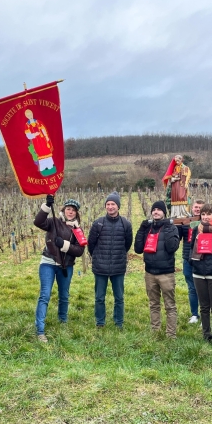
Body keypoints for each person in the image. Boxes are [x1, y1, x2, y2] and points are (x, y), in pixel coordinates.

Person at [33, 195, 85, 342]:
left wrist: (64, 245)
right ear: (64, 210)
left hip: (66, 266)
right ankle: (40, 330)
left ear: (76, 213)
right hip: (48, 262)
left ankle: (62, 321)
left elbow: (80, 251)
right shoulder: (53, 222)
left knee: (64, 296)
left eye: (73, 210)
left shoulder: (77, 230)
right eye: (68, 209)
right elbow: (38, 221)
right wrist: (47, 206)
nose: (70, 212)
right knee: (45, 295)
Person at [134, 200, 180, 338]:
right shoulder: (147, 228)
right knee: (153, 303)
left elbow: (173, 247)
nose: (156, 212)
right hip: (150, 273)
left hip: (166, 273)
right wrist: (141, 230)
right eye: (154, 210)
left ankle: (171, 334)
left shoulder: (171, 228)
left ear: (164, 213)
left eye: (159, 210)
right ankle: (155, 331)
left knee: (169, 305)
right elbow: (137, 249)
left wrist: (167, 229)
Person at [87, 192, 133, 328]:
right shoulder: (98, 223)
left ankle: (118, 322)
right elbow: (91, 244)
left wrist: (119, 255)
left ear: (118, 206)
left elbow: (127, 244)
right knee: (99, 297)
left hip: (118, 267)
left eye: (113, 204)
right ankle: (100, 322)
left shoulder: (126, 224)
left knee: (119, 298)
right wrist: (97, 257)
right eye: (108, 204)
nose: (110, 207)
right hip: (100, 267)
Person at [189, 204, 212, 343]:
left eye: (208, 214)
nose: (205, 217)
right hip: (198, 272)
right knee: (203, 306)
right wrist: (192, 263)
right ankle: (206, 334)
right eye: (203, 214)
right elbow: (191, 248)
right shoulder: (195, 230)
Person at [178, 199, 205, 324]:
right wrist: (177, 224)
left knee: (204, 288)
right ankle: (194, 314)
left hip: (204, 259)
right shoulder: (185, 222)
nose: (197, 209)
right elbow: (177, 238)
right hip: (187, 259)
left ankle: (205, 313)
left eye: (200, 207)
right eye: (195, 207)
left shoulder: (210, 222)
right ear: (192, 208)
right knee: (191, 287)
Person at [25, 109, 56, 176]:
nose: (30, 116)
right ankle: (44, 170)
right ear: (26, 116)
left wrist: (47, 137)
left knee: (47, 152)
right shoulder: (27, 125)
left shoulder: (38, 122)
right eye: (28, 115)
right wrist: (34, 134)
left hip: (43, 140)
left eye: (30, 114)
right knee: (40, 154)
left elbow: (44, 130)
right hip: (36, 142)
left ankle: (51, 167)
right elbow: (28, 135)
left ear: (32, 114)